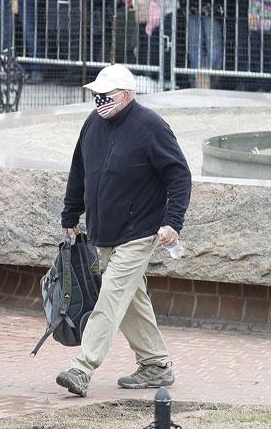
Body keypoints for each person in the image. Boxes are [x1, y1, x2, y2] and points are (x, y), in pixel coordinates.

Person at [56, 64, 191, 398]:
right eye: (95, 95)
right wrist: (70, 213)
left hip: (140, 230)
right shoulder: (92, 124)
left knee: (112, 296)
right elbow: (79, 171)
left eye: (106, 95)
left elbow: (179, 176)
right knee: (131, 297)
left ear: (127, 95)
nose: (98, 101)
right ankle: (156, 365)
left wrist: (173, 222)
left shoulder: (151, 127)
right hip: (103, 230)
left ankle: (83, 367)